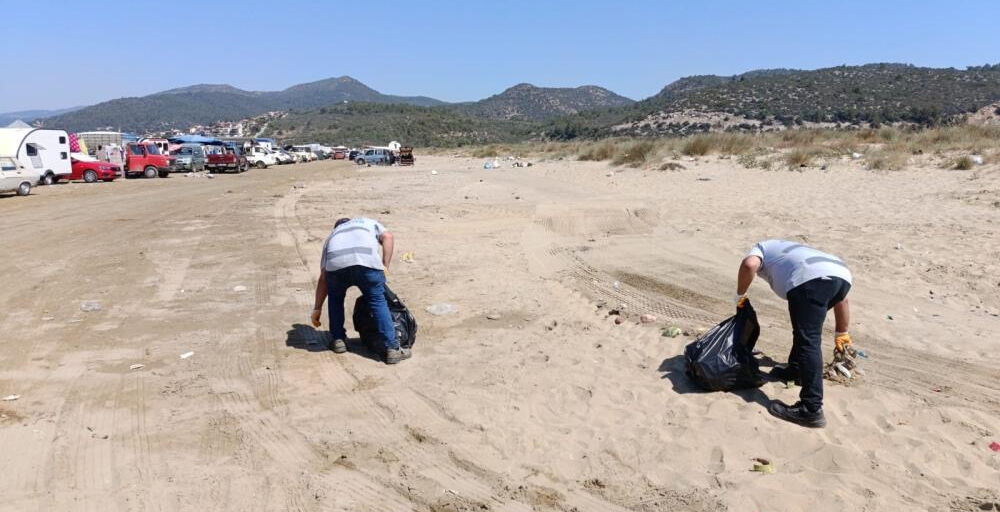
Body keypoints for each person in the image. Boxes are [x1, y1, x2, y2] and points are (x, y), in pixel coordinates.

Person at [736, 240, 853, 428]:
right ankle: (796, 370)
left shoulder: (761, 249)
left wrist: (739, 296)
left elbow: (749, 264)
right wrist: (842, 332)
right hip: (842, 276)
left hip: (810, 280)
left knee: (809, 340)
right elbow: (843, 300)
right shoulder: (791, 252)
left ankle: (811, 409)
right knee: (804, 331)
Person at [311, 217, 407, 364]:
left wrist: (317, 308)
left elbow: (324, 277)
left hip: (337, 264)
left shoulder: (333, 235)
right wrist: (385, 266)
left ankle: (338, 340)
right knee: (377, 301)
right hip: (366, 263)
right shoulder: (367, 222)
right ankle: (392, 349)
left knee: (335, 299)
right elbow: (388, 237)